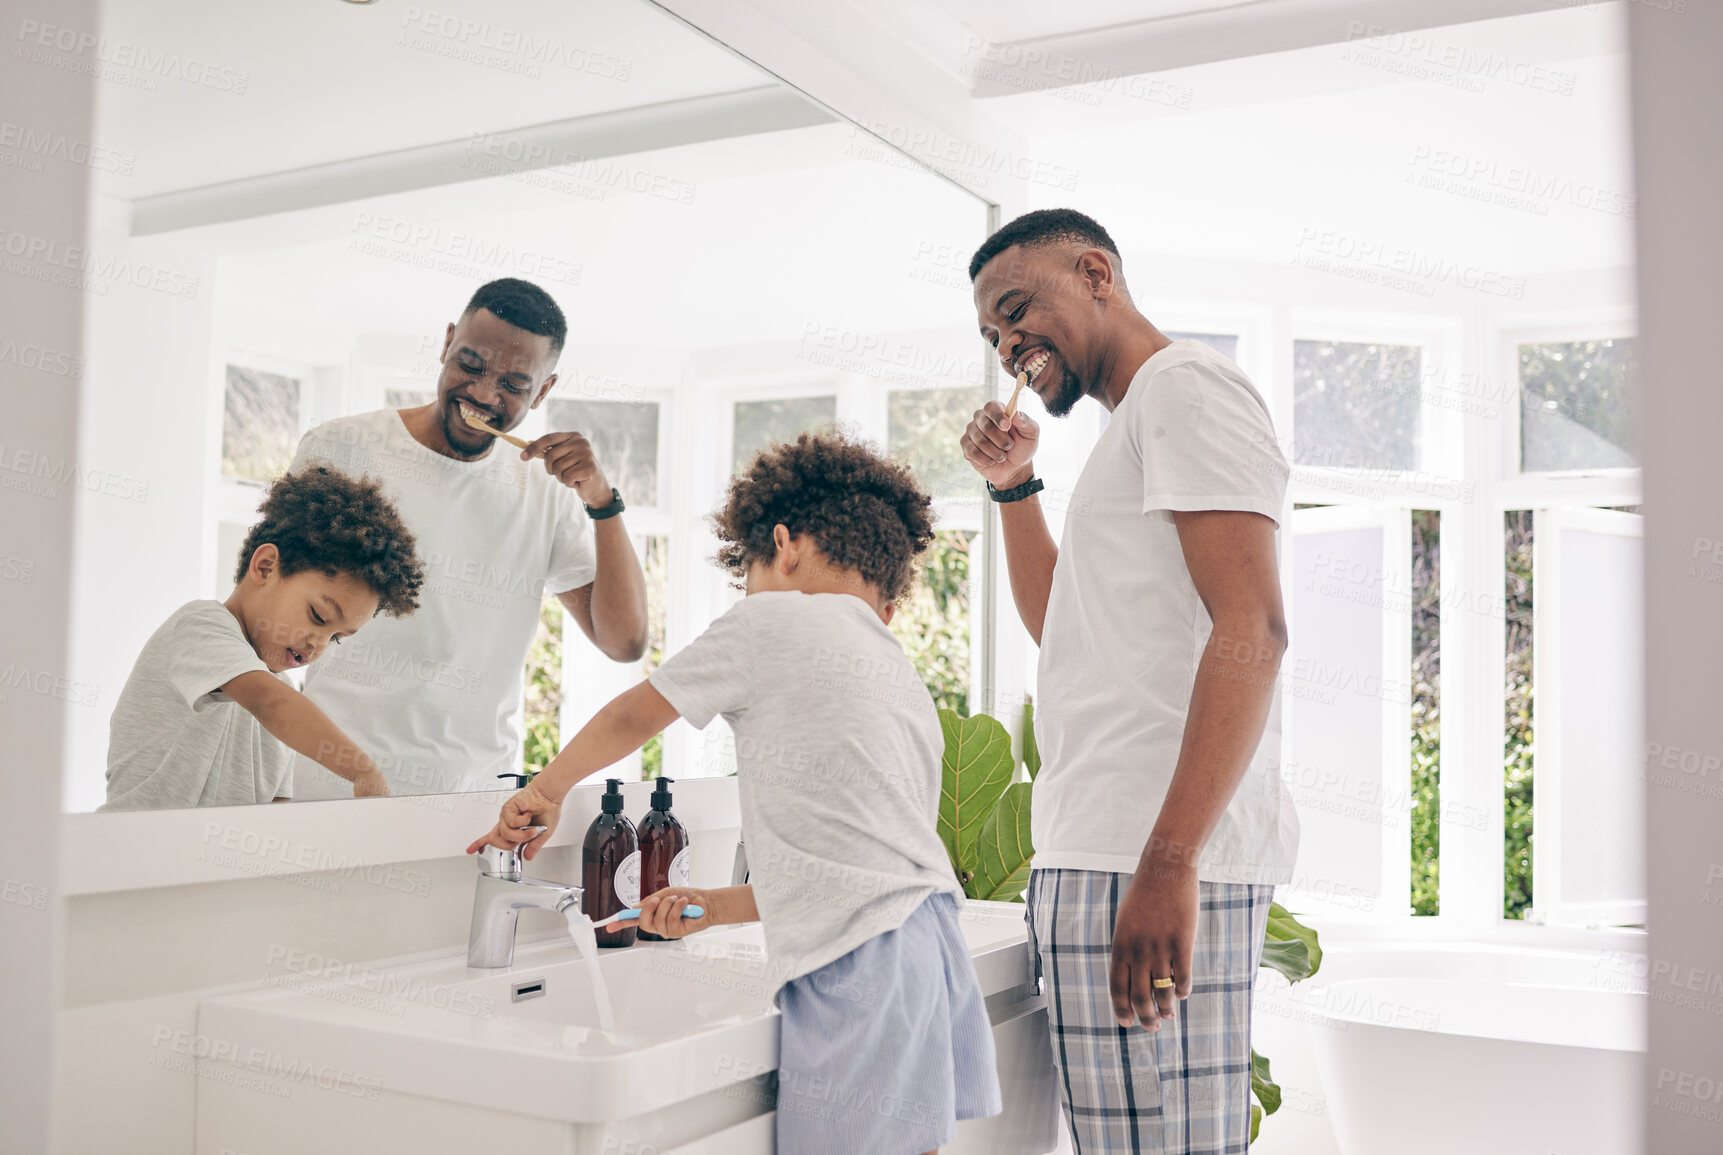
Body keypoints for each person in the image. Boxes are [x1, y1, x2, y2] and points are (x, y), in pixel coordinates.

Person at [470, 431, 1002, 1155]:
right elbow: (856, 864)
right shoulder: (896, 671)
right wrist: (720, 906)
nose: (746, 594)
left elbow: (635, 712)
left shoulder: (769, 619)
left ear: (783, 545)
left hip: (859, 966)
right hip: (925, 950)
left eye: (746, 574)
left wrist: (547, 787)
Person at [959, 209, 1297, 1153]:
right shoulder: (1130, 428)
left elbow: (1254, 628)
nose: (1008, 344)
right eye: (992, 334)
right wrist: (1013, 486)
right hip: (1104, 847)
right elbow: (1061, 625)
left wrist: (1167, 862)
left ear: (1095, 272)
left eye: (1018, 309)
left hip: (1144, 854)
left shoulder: (1184, 388)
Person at [289, 277, 648, 798]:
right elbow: (271, 611)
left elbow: (626, 642)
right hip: (333, 781)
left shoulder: (545, 490)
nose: (483, 394)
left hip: (476, 794)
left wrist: (601, 500)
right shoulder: (343, 447)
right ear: (447, 343)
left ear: (544, 390)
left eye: (514, 384)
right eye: (471, 365)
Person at [102, 467, 423, 810]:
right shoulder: (200, 627)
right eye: (318, 617)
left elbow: (276, 810)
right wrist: (362, 770)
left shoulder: (283, 700)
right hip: (134, 851)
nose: (318, 644)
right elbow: (270, 703)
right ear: (266, 566)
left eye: (337, 638)